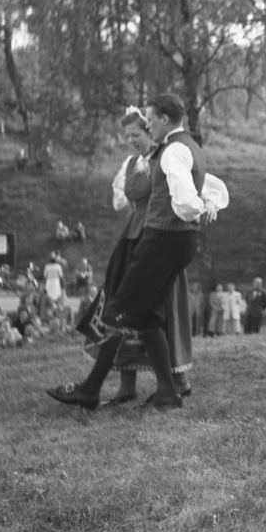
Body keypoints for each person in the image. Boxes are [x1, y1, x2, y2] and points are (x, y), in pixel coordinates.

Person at [49, 104, 227, 409]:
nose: (132, 140)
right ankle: (149, 389)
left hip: (158, 241)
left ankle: (106, 388)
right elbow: (123, 201)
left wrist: (207, 204)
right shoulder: (136, 162)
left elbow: (200, 185)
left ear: (153, 129)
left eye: (136, 134)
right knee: (137, 315)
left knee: (126, 312)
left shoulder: (169, 153)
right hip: (136, 239)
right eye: (128, 136)